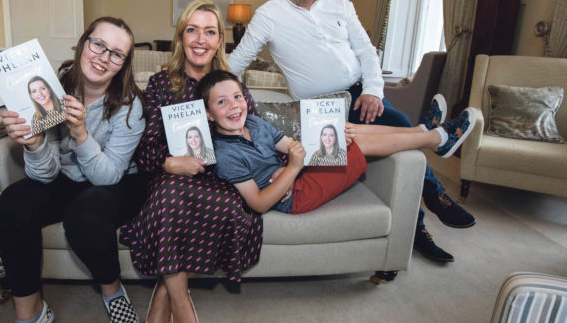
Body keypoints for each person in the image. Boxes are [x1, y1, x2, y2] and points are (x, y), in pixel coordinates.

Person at [228, 0, 475, 263]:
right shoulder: (269, 14)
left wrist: (372, 90)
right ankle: (433, 144)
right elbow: (237, 61)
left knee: (399, 129)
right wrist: (206, 92)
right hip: (320, 110)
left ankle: (427, 207)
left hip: (360, 95)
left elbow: (367, 52)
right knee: (404, 131)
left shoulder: (340, 5)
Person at [0, 17, 146, 323]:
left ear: (124, 64)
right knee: (13, 203)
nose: (104, 57)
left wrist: (79, 132)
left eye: (117, 54)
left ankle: (112, 290)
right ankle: (30, 317)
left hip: (118, 180)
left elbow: (108, 177)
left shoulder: (131, 105)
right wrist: (36, 143)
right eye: (98, 44)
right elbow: (43, 175)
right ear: (82, 43)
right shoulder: (49, 87)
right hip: (66, 176)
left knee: (85, 214)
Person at [119, 0, 263, 323]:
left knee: (228, 206)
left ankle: (164, 293)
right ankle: (182, 305)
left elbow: (256, 133)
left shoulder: (233, 85)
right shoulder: (160, 84)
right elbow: (142, 150)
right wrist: (169, 162)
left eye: (210, 31)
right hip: (169, 178)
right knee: (168, 198)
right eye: (192, 30)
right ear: (181, 37)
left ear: (220, 41)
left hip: (219, 183)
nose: (201, 39)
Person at [198, 70, 477, 217]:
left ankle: (423, 130)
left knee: (346, 130)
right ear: (209, 114)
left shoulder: (255, 123)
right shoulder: (224, 154)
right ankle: (435, 138)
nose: (234, 106)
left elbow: (291, 146)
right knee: (349, 145)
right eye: (222, 102)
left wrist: (318, 144)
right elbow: (258, 204)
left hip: (294, 173)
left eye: (237, 97)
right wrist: (293, 170)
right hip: (295, 197)